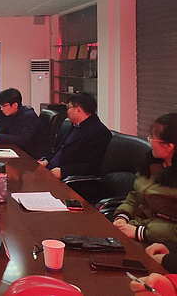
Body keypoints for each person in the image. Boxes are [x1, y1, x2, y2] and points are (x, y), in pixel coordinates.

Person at [114, 113, 177, 244]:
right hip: (134, 229)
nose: (150, 142)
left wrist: (141, 232)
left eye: (152, 139)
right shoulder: (151, 165)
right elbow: (135, 196)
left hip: (160, 243)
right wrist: (122, 216)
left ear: (169, 146)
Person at [38, 92, 112, 179]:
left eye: (69, 108)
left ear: (78, 110)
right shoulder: (75, 125)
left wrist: (64, 171)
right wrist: (47, 160)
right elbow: (61, 150)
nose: (67, 112)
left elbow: (94, 166)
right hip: (51, 169)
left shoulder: (99, 132)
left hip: (67, 177)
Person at [0, 88, 46, 159]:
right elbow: (8, 130)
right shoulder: (13, 114)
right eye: (0, 106)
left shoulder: (29, 117)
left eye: (4, 106)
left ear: (15, 105)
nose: (1, 109)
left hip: (31, 154)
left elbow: (23, 140)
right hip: (19, 150)